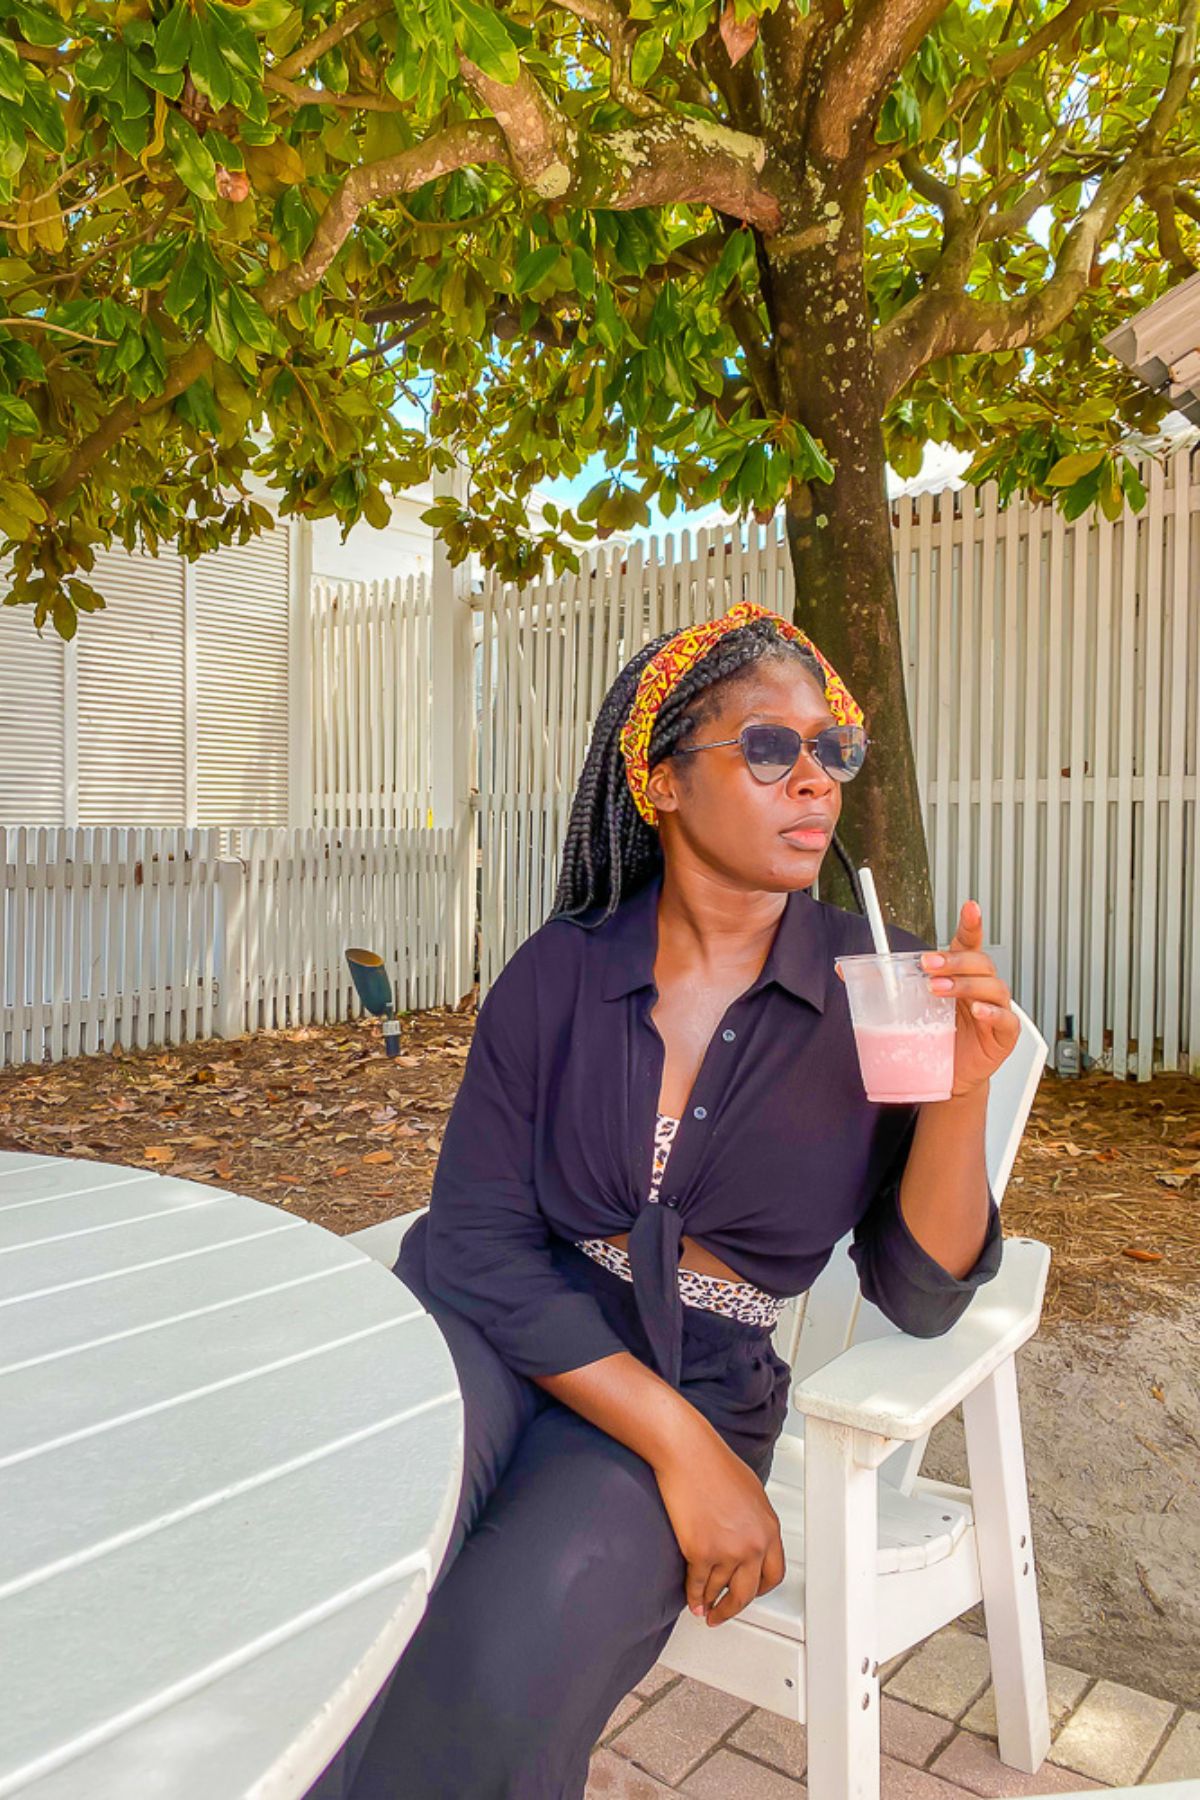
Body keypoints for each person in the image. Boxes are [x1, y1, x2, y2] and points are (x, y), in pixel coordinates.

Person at [308, 600, 1017, 1799]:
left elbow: (921, 1295)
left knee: (507, 1656)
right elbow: (476, 1240)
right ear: (663, 782)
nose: (816, 781)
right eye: (769, 747)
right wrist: (686, 1453)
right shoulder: (561, 969)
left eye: (833, 750)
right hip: (500, 1330)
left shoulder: (873, 984)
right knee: (352, 1570)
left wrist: (958, 1095)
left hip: (703, 1367)